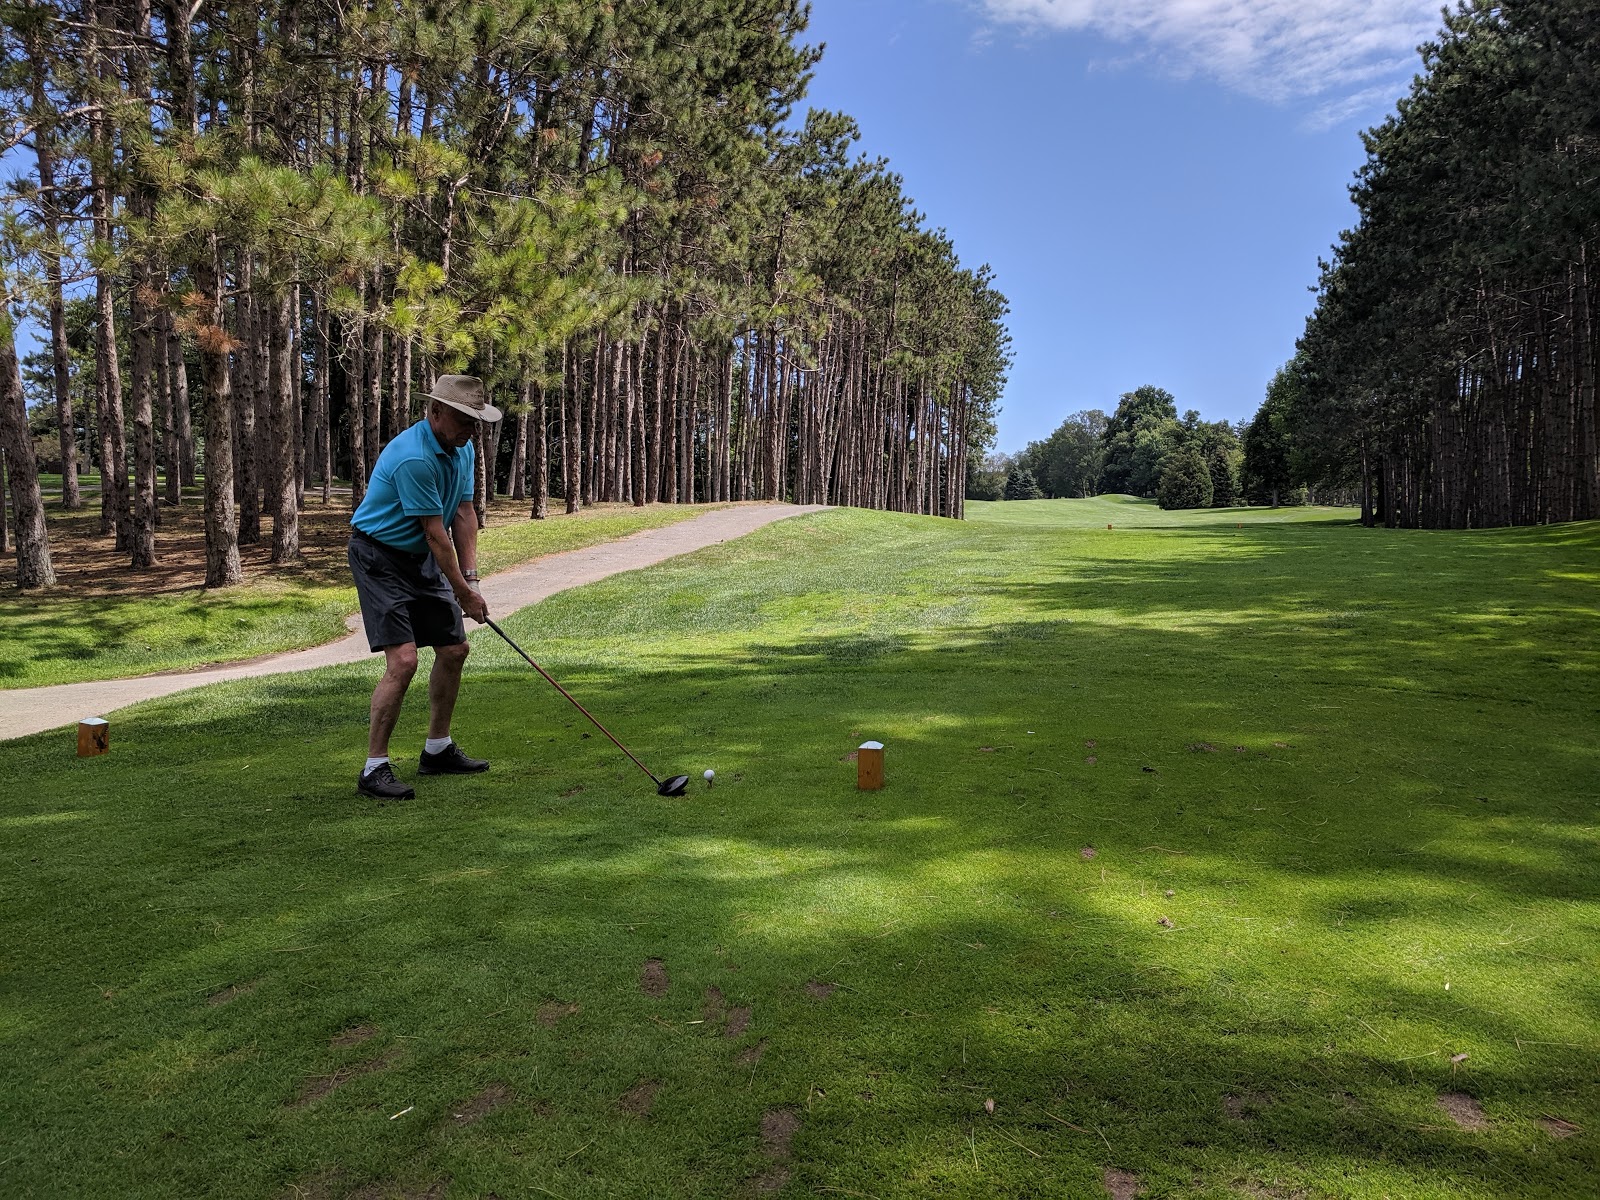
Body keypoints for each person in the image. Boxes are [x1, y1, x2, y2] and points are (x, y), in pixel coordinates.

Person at [347, 375, 501, 800]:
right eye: (464, 419)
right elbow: (435, 533)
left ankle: (437, 749)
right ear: (435, 412)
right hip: (379, 556)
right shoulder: (413, 457)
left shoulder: (462, 447)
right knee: (404, 660)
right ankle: (374, 768)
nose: (472, 430)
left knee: (454, 649)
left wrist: (471, 581)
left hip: (419, 556)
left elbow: (464, 514)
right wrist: (463, 593)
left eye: (475, 421)